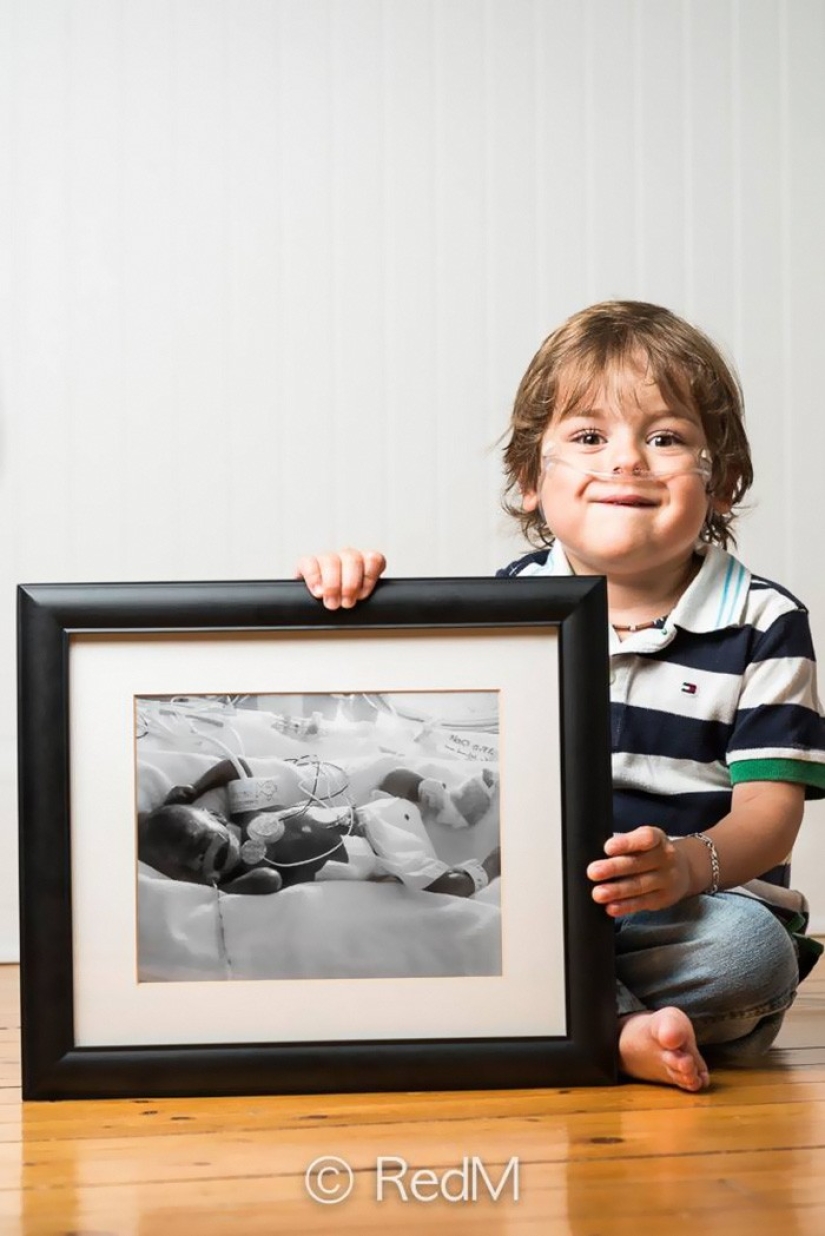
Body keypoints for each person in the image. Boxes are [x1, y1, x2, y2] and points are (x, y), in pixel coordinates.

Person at [295, 300, 825, 1092]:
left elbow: (768, 812)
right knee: (425, 904)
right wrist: (351, 598)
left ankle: (554, 1023)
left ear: (722, 483)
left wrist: (684, 866)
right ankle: (616, 1031)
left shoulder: (762, 621)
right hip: (538, 902)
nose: (627, 460)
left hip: (685, 910)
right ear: (528, 480)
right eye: (588, 438)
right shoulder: (506, 608)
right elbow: (417, 728)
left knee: (746, 955)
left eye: (665, 438)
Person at [139, 754, 501, 898]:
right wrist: (223, 888)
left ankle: (450, 806)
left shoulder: (248, 813)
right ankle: (487, 869)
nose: (203, 857)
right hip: (380, 858)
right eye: (191, 867)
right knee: (440, 884)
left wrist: (194, 790)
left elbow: (235, 767)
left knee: (396, 777)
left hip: (365, 815)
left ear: (215, 816)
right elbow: (270, 881)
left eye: (203, 840)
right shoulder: (249, 876)